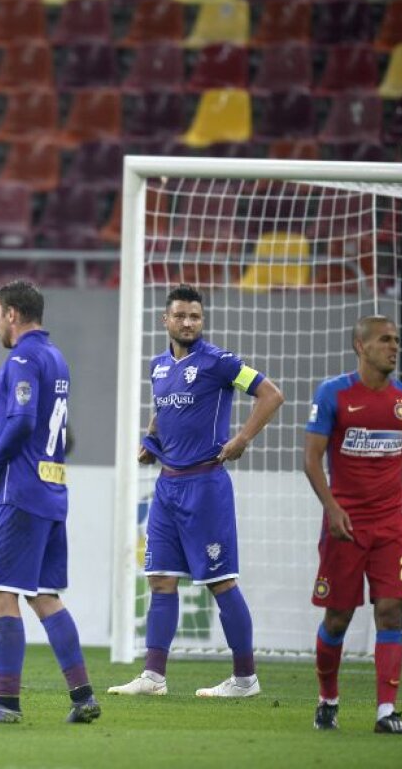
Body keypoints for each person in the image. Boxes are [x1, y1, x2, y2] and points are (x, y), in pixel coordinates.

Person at [108, 284, 284, 699]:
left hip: (205, 485)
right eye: (181, 316)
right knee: (161, 580)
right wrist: (150, 446)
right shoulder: (158, 367)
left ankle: (245, 679)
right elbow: (163, 414)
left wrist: (242, 437)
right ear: (165, 320)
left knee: (221, 582)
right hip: (168, 487)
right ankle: (153, 676)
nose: (188, 323)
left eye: (195, 317)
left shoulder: (220, 362)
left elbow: (271, 394)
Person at [0, 280, 100, 725]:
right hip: (52, 488)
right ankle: (82, 696)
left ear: (14, 315)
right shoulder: (55, 358)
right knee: (44, 595)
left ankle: (6, 703)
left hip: (20, 492)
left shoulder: (22, 357)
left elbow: (19, 422)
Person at [304, 315, 402, 735]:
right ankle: (327, 700)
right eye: (384, 340)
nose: (393, 346)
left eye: (396, 339)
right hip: (345, 527)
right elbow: (311, 458)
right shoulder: (334, 394)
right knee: (337, 618)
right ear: (361, 346)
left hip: (392, 525)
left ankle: (386, 710)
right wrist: (331, 506)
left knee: (391, 612)